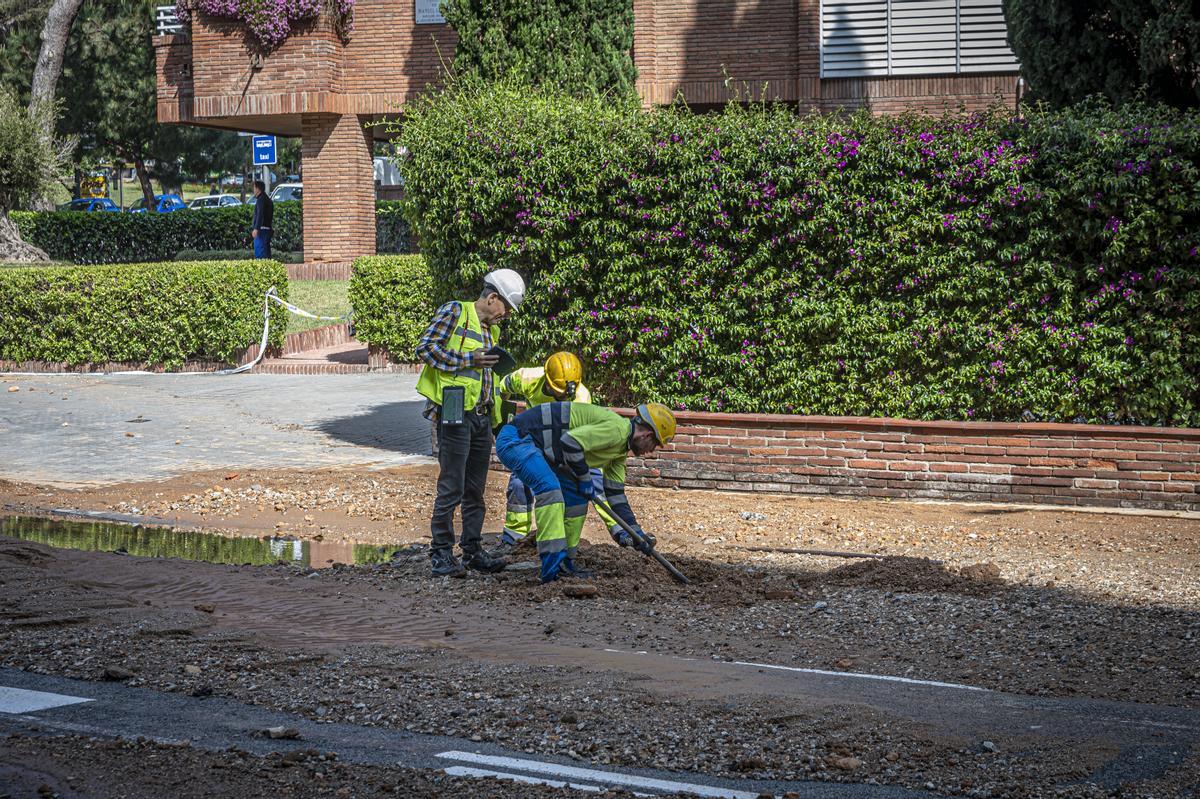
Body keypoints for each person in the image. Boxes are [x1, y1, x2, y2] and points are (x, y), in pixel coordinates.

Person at [415, 268, 526, 578]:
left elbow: (487, 378)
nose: (506, 316)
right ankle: (440, 554)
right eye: (506, 308)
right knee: (452, 486)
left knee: (475, 489)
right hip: (453, 414)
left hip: (480, 416)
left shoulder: (492, 332)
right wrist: (469, 360)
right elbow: (425, 348)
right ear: (492, 298)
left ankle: (473, 551)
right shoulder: (454, 311)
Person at [494, 401, 676, 583]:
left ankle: (566, 562)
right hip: (518, 439)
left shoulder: (619, 452)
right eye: (654, 445)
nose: (650, 451)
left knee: (577, 499)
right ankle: (551, 567)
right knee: (550, 491)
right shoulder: (617, 430)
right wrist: (585, 477)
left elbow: (616, 496)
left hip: (545, 451)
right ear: (647, 434)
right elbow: (570, 442)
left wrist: (637, 534)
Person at [489, 352, 623, 558]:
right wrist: (499, 415)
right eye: (558, 393)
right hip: (531, 440)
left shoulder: (581, 397)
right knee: (519, 483)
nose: (563, 397)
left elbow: (579, 437)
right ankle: (513, 539)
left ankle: (620, 531)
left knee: (593, 480)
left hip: (563, 443)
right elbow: (503, 387)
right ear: (546, 379)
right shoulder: (527, 378)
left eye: (566, 394)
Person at [251, 179, 273, 259]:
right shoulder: (267, 199)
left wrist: (256, 228)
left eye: (254, 188)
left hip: (261, 230)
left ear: (257, 189)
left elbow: (260, 214)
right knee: (266, 253)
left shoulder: (261, 200)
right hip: (267, 229)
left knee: (260, 254)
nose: (253, 190)